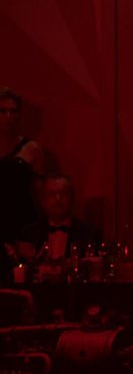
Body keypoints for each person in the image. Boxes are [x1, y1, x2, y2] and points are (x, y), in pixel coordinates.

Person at [15, 174, 101, 261]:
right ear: (43, 200)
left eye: (64, 193)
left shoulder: (89, 233)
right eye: (52, 194)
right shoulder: (29, 234)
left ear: (72, 198)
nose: (58, 199)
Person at [0, 88, 43, 246]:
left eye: (13, 111)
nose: (8, 116)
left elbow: (41, 193)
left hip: (22, 220)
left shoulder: (31, 149)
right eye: (2, 111)